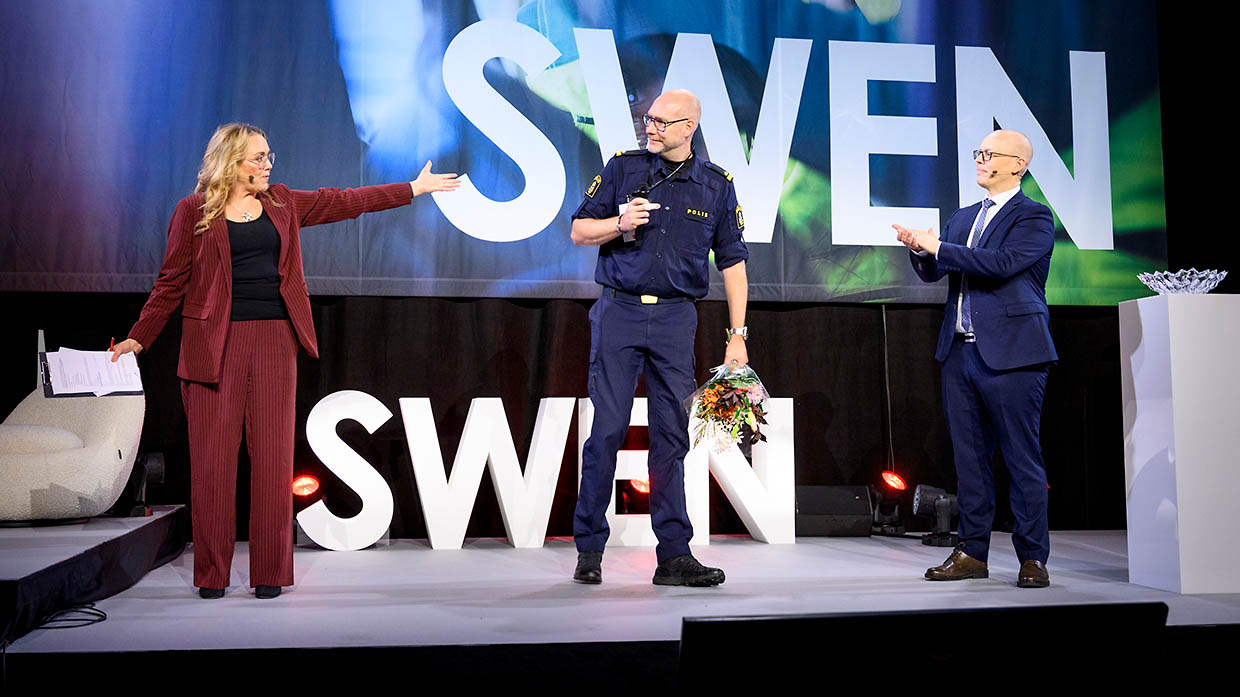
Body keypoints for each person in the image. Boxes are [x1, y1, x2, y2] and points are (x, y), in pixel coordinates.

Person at [110, 123, 459, 599]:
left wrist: (412, 189)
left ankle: (270, 573)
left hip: (275, 341)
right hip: (213, 346)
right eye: (258, 158)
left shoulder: (283, 202)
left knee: (274, 463)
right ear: (231, 162)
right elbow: (171, 281)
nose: (267, 165)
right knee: (212, 468)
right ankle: (212, 574)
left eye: (269, 156)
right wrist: (139, 336)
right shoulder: (193, 211)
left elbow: (346, 201)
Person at [570, 89, 749, 586]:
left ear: (689, 127)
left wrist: (737, 335)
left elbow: (733, 264)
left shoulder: (715, 186)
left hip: (675, 319)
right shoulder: (623, 168)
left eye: (661, 122)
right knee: (607, 431)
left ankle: (673, 556)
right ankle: (589, 548)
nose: (650, 128)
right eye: (648, 119)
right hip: (619, 313)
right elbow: (579, 231)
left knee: (671, 437)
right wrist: (618, 222)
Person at [893, 129, 1056, 588]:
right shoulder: (963, 217)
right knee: (969, 460)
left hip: (1015, 353)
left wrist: (939, 248)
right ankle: (971, 553)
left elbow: (1001, 264)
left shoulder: (1034, 216)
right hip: (960, 352)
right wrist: (920, 250)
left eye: (989, 153)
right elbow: (938, 270)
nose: (980, 160)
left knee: (1021, 458)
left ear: (1018, 165)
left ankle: (1032, 557)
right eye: (978, 153)